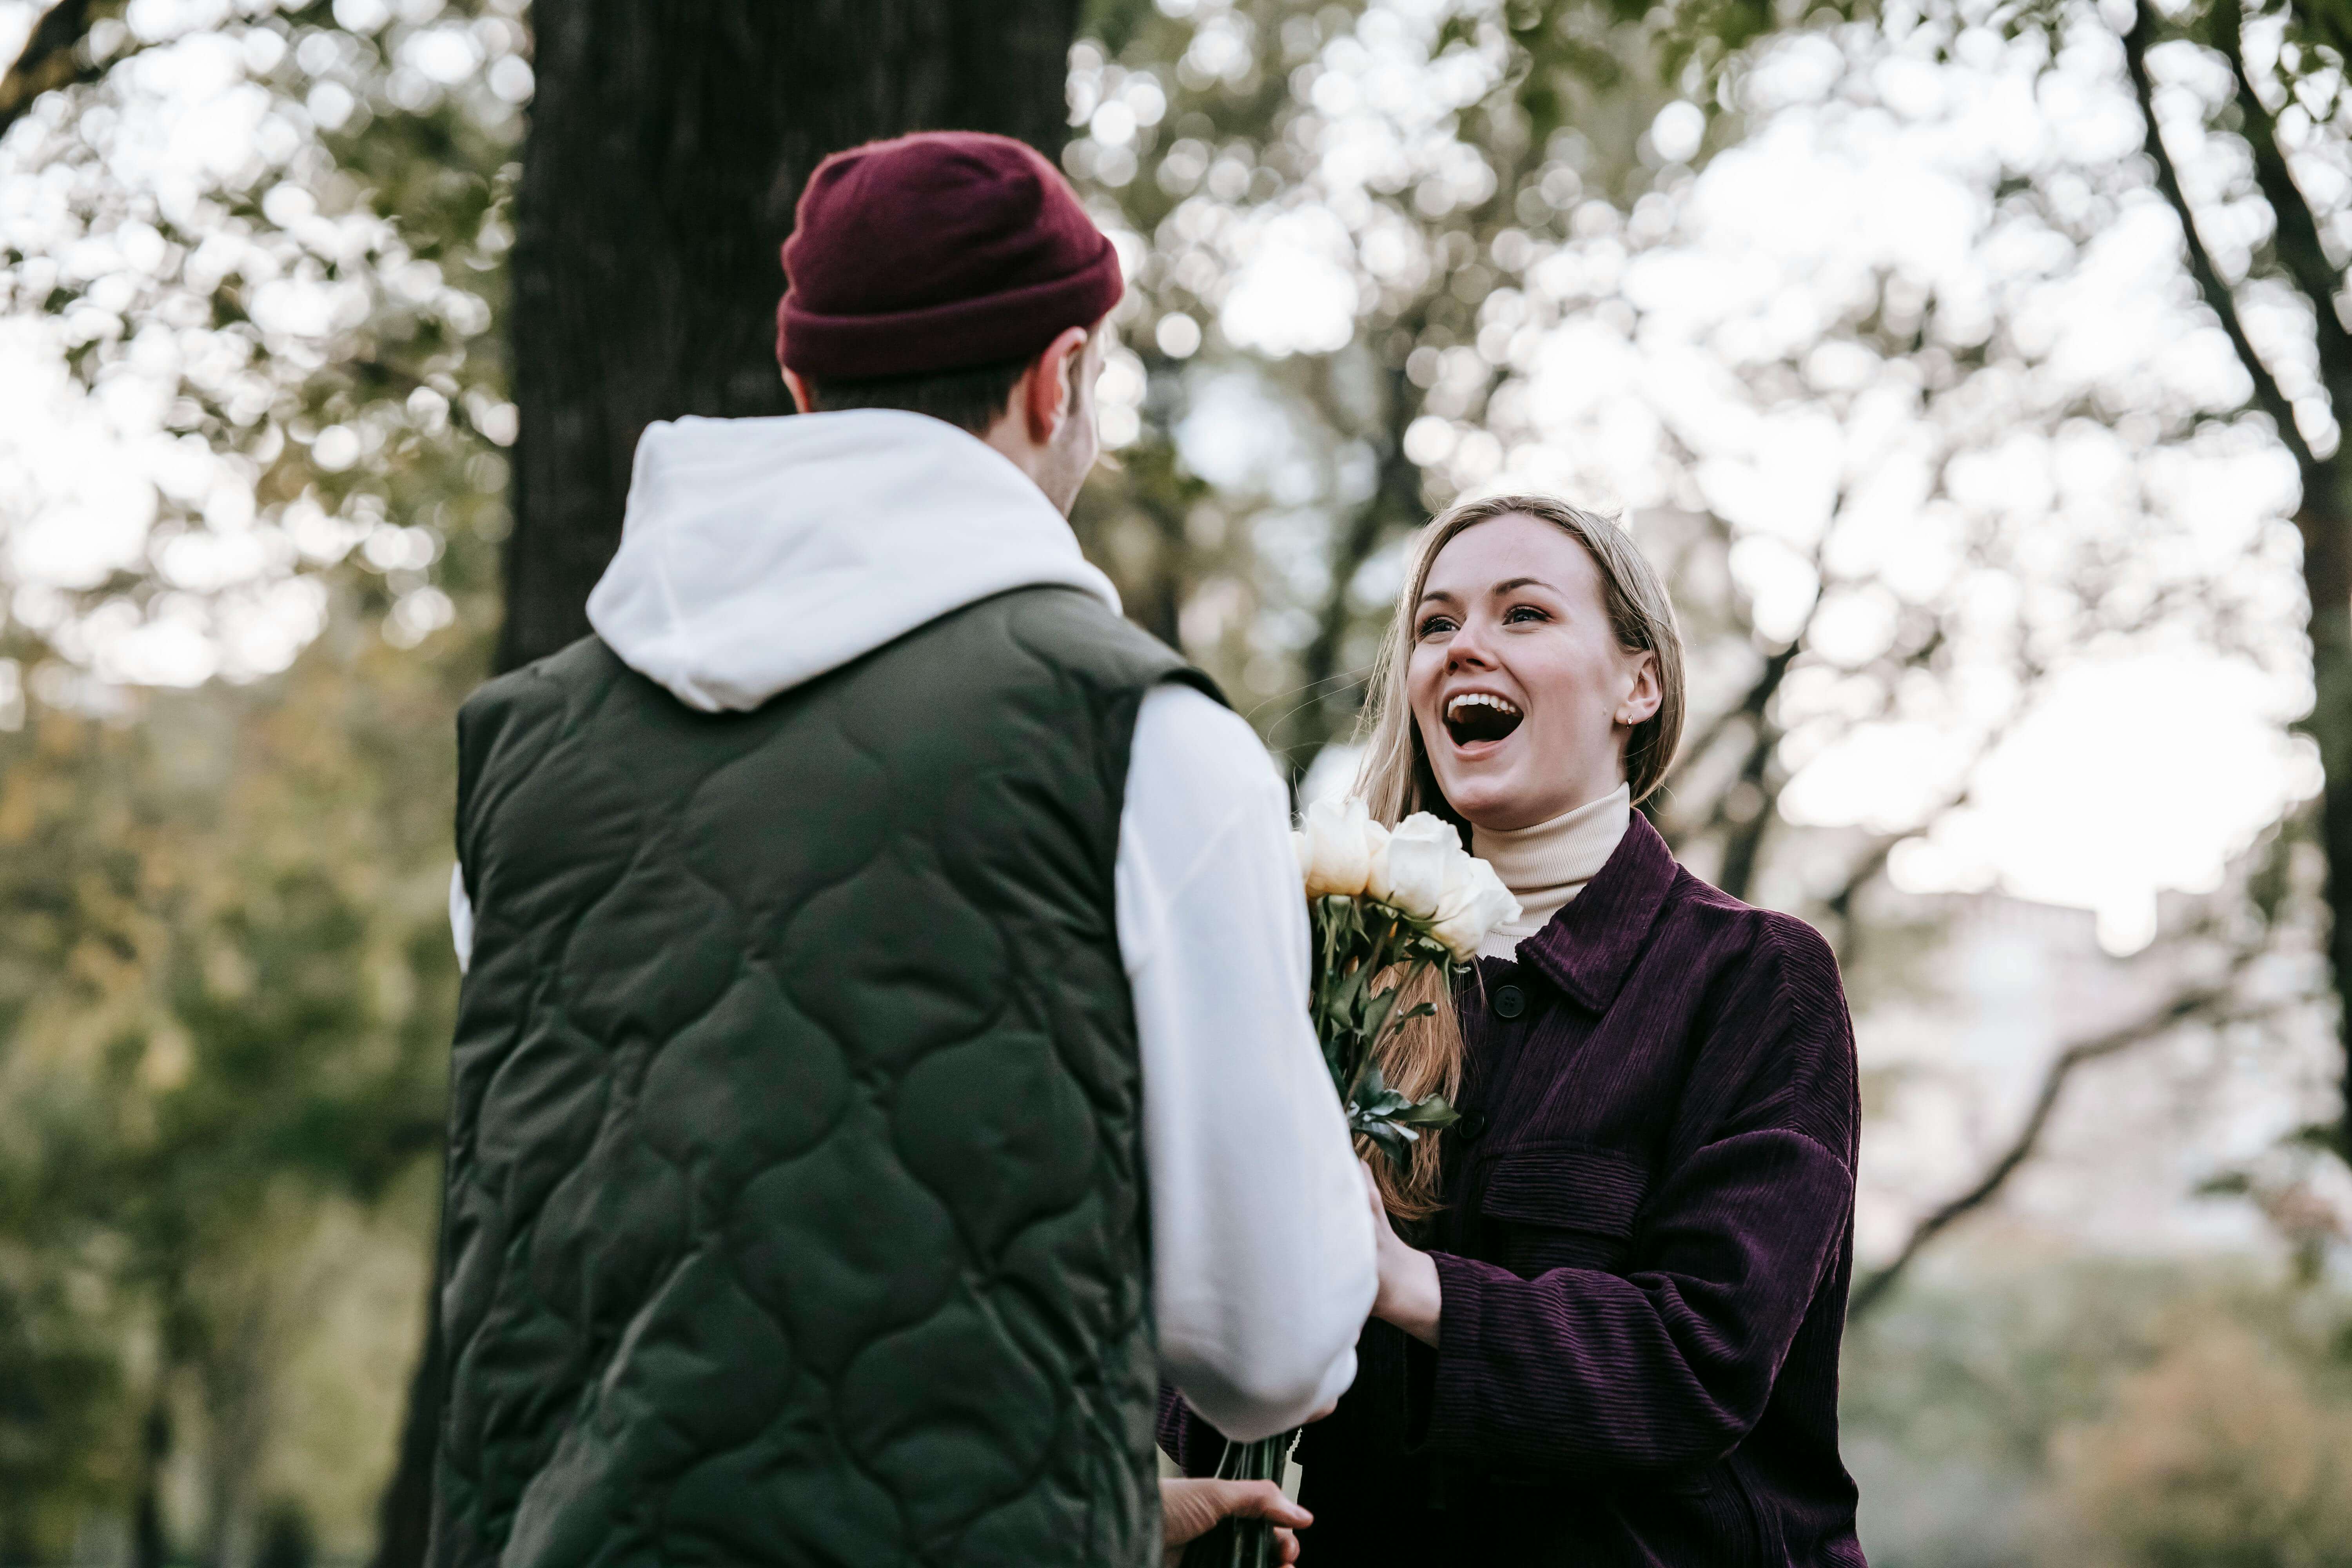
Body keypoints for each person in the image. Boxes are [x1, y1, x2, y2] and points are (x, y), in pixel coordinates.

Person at [430, 131, 1374, 1568]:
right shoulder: (1148, 745)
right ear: (1059, 380)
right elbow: (1274, 1337)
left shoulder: (521, 759)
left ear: (804, 384)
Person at [1162, 493, 1866, 1565]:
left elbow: (1704, 1360)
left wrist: (1402, 1281)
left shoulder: (1756, 980)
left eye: (1523, 615)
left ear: (1641, 682)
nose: (1463, 648)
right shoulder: (1321, 961)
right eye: (1435, 626)